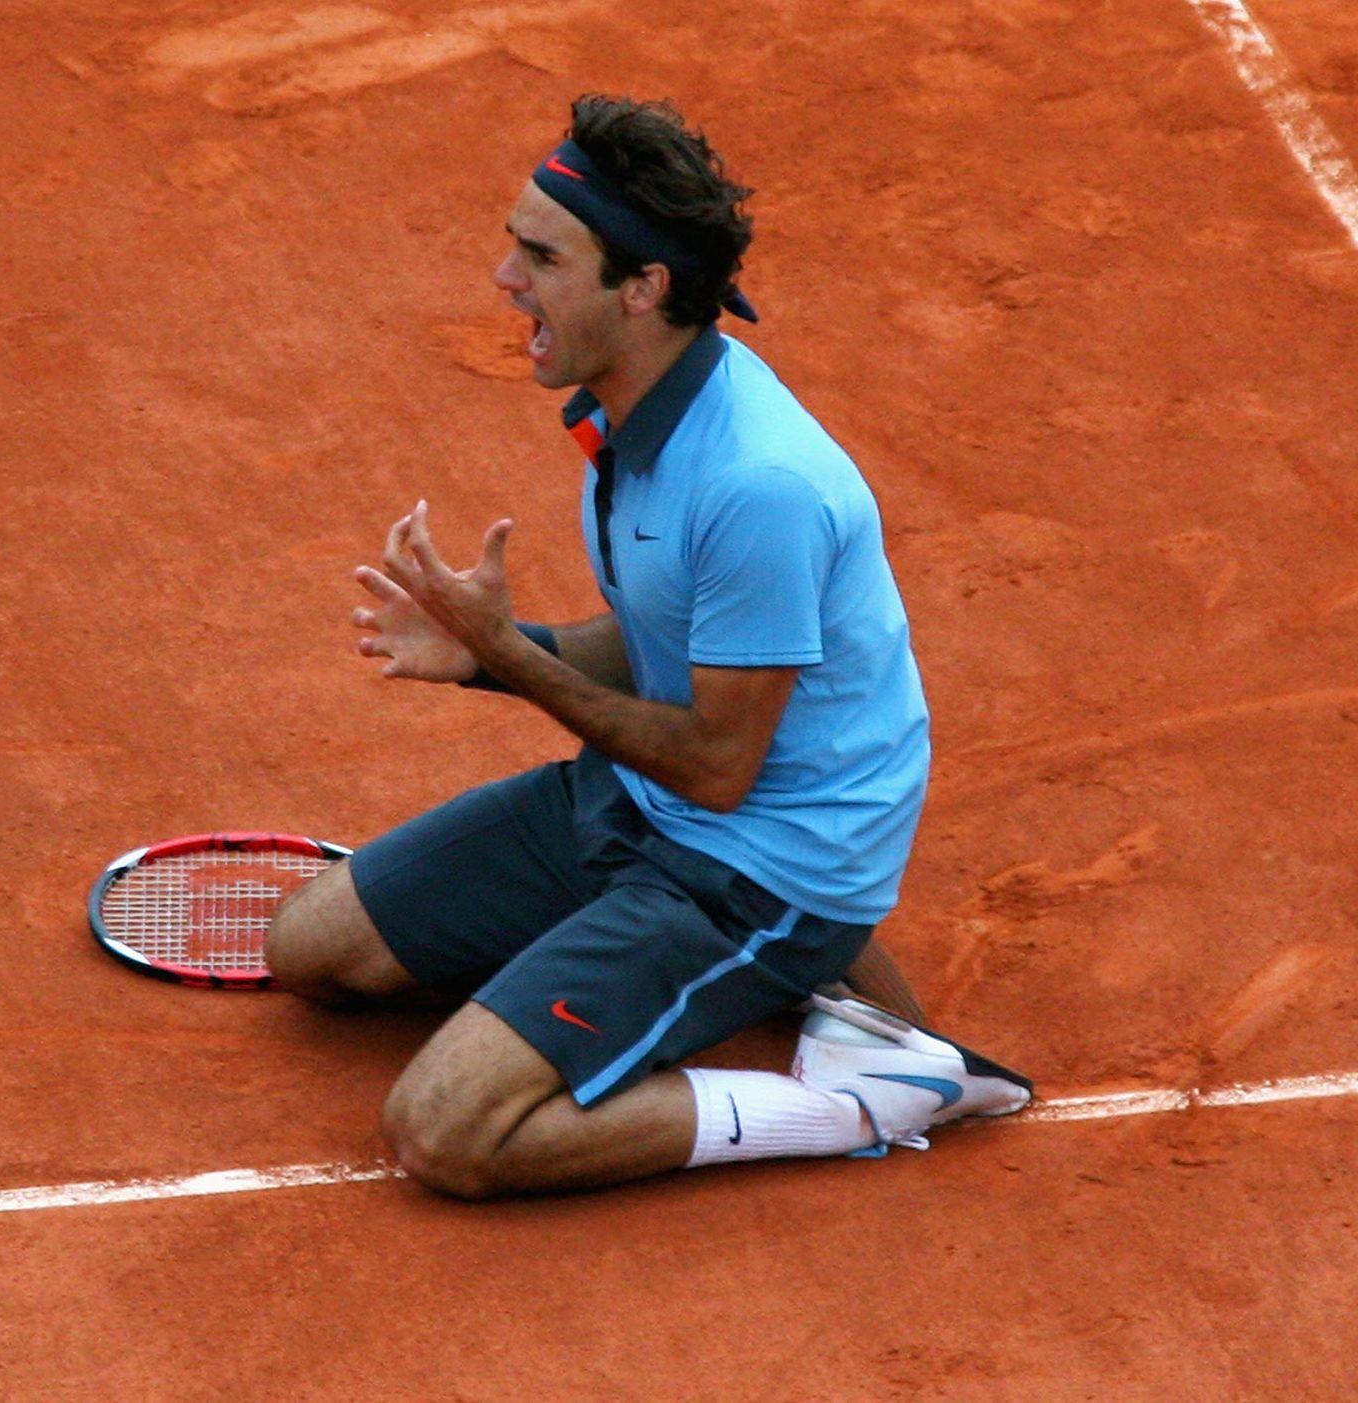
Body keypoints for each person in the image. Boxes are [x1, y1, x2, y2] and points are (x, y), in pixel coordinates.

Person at [264, 94, 1028, 1199]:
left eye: (540, 255)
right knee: (310, 950)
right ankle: (740, 980)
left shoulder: (754, 484)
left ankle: (864, 1092)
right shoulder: (630, 411)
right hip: (641, 801)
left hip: (757, 870)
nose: (503, 278)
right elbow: (648, 648)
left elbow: (719, 771)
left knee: (443, 1132)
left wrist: (511, 661)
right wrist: (485, 649)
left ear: (644, 286)